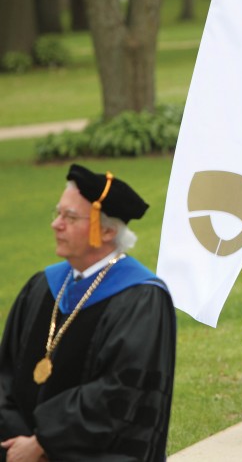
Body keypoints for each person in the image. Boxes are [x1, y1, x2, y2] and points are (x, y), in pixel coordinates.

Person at [0, 164, 176, 461]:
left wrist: (43, 443)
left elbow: (121, 394)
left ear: (107, 231)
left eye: (69, 217)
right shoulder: (43, 286)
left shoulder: (140, 298)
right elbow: (6, 374)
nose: (56, 224)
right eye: (58, 213)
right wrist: (16, 440)